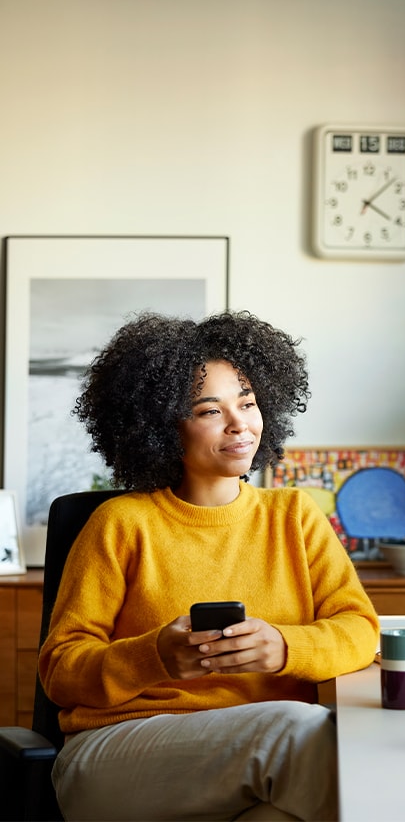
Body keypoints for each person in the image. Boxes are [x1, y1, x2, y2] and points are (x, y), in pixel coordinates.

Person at [38, 310, 380, 822]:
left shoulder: (294, 516)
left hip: (264, 761)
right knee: (306, 736)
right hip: (120, 752)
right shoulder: (121, 523)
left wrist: (285, 647)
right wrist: (155, 656)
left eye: (248, 403)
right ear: (159, 425)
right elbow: (61, 671)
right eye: (209, 411)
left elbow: (360, 631)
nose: (240, 423)